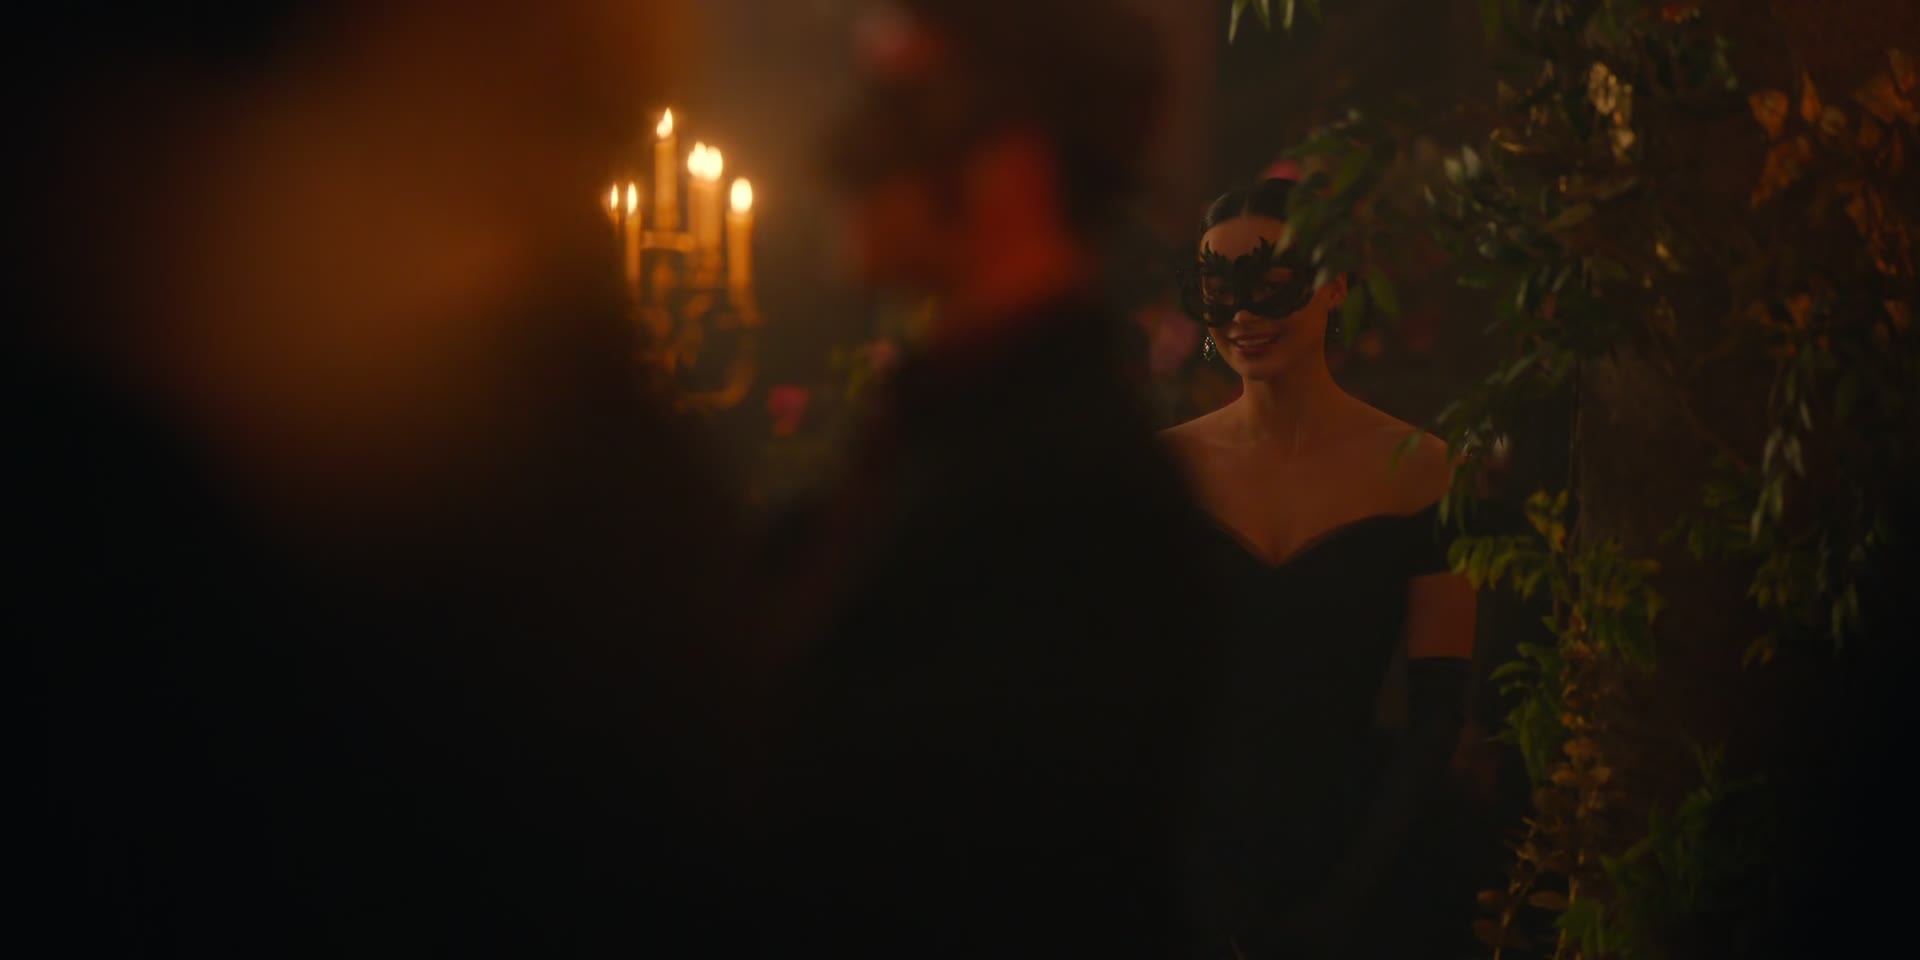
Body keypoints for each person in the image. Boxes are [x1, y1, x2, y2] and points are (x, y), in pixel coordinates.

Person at [748, 1, 1222, 955]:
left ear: (1012, 163)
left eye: (898, 110)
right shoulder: (945, 433)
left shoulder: (1070, 496)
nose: (841, 156)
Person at [1159, 178, 1479, 958]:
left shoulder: (1421, 468)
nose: (1243, 314)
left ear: (1334, 283)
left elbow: (1439, 709)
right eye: (1218, 291)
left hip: (1361, 857)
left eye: (1270, 284)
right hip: (1186, 866)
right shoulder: (1165, 473)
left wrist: (1353, 890)